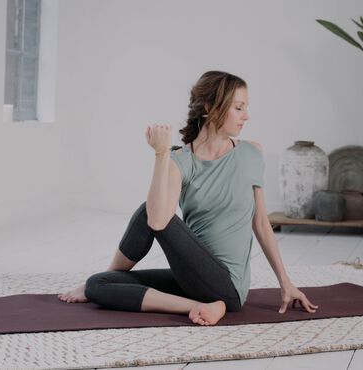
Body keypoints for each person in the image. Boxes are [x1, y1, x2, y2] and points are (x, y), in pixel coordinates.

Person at [58, 71, 318, 325]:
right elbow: (159, 218)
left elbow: (261, 223)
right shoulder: (181, 160)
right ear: (210, 107)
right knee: (97, 285)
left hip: (227, 287)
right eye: (238, 108)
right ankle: (194, 306)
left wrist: (286, 283)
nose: (246, 116)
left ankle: (202, 300)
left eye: (245, 108)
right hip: (191, 279)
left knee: (150, 211)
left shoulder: (252, 153)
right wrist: (162, 154)